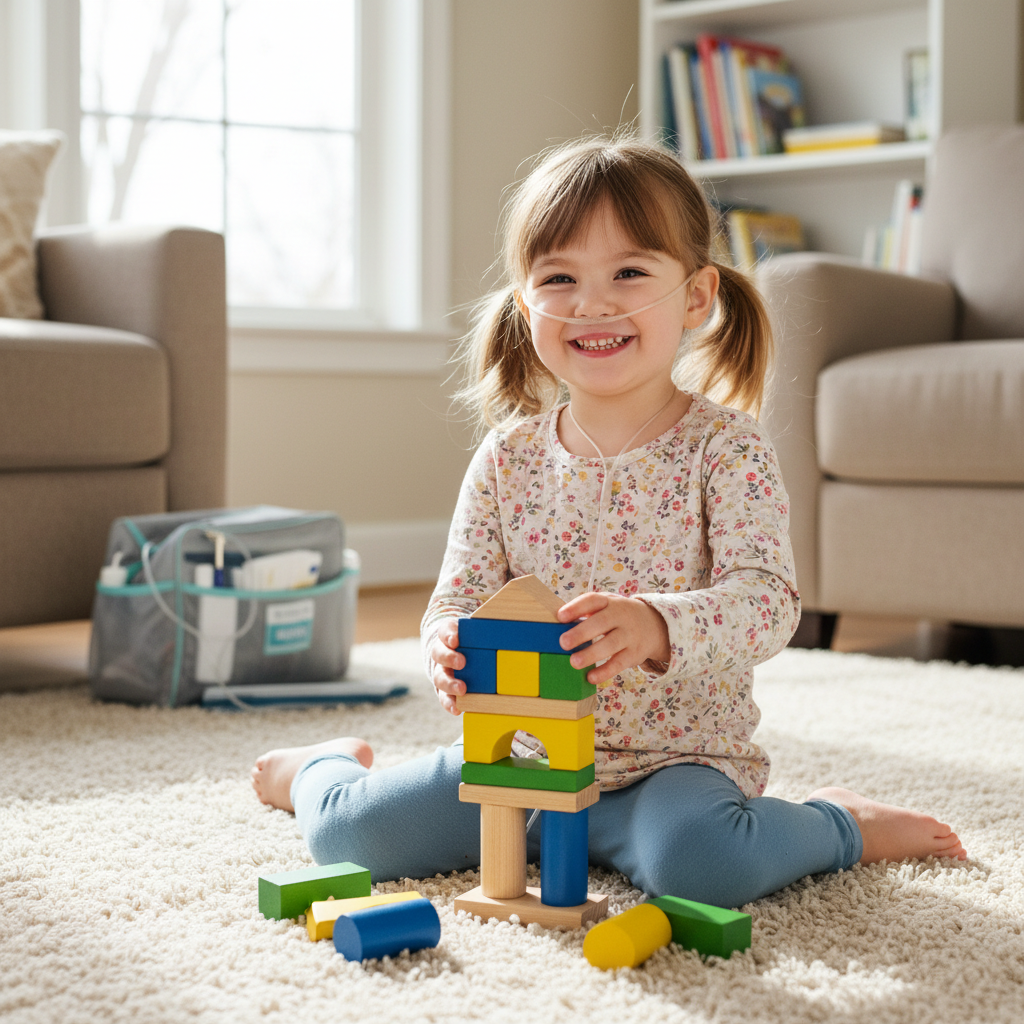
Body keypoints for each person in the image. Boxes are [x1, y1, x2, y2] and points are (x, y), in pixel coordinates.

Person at [252, 135, 966, 908]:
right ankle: (319, 766)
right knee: (349, 836)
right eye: (559, 278)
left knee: (707, 867)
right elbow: (455, 599)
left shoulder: (726, 448)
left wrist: (655, 626)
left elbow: (769, 605)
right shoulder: (506, 457)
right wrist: (446, 649)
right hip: (518, 758)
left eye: (629, 272)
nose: (592, 303)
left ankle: (838, 823)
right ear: (528, 306)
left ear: (696, 296)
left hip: (672, 768)